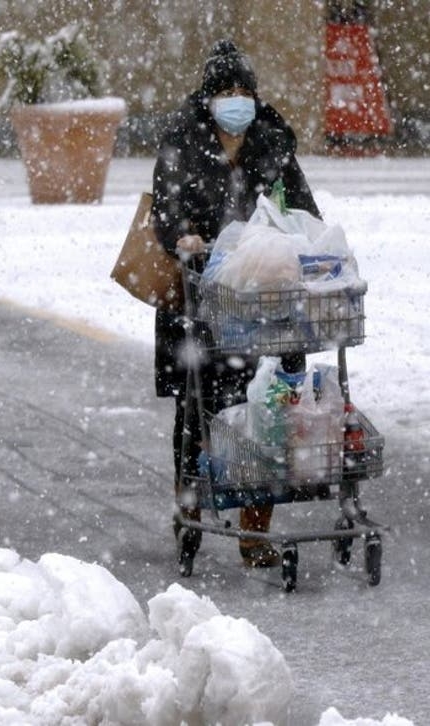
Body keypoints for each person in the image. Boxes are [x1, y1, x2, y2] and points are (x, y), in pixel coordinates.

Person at [151, 39, 320, 568]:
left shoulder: (272, 144)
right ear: (208, 99)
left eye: (244, 91)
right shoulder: (182, 144)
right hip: (204, 299)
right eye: (226, 92)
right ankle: (190, 508)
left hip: (266, 302)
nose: (237, 101)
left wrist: (307, 245)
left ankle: (254, 530)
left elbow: (305, 211)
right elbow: (166, 209)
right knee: (199, 409)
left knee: (268, 409)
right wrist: (185, 237)